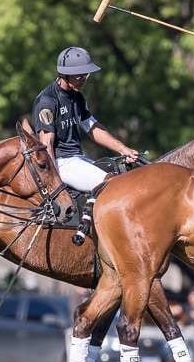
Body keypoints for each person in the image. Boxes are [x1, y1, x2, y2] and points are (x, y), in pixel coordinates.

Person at [31, 47, 138, 239]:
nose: (84, 79)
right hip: (61, 164)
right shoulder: (47, 101)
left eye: (85, 75)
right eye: (80, 76)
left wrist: (123, 149)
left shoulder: (76, 96)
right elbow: (46, 145)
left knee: (120, 175)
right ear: (65, 74)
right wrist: (53, 184)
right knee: (111, 186)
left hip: (79, 159)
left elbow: (92, 128)